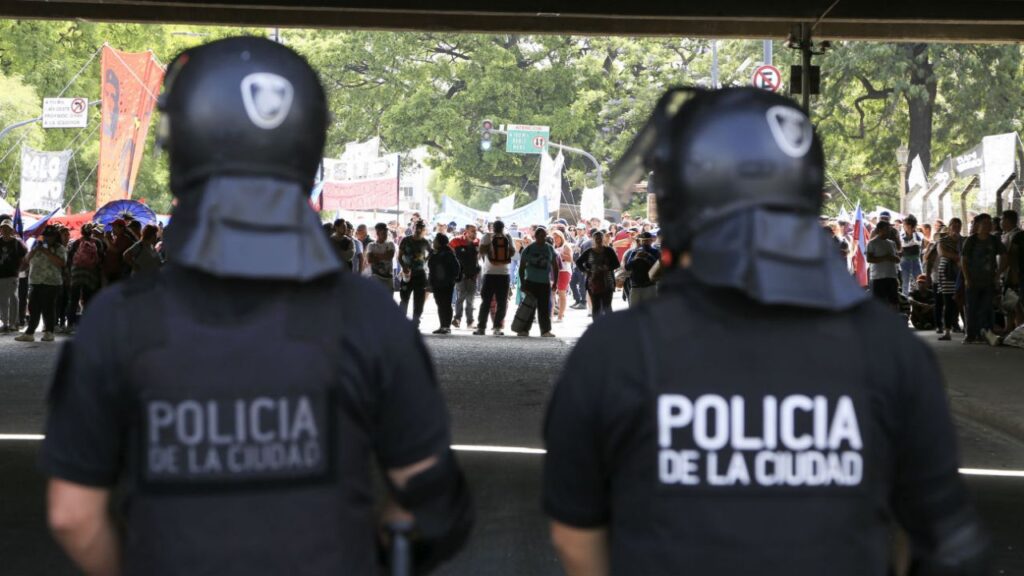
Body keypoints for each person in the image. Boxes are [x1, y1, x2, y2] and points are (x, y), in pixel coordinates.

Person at [40, 37, 471, 576]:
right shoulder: (367, 317)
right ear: (309, 147)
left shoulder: (118, 322)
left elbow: (72, 516)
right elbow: (433, 503)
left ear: (180, 148)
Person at [544, 87, 989, 576]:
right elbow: (941, 541)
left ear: (686, 200)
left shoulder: (615, 353)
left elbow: (576, 537)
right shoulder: (892, 353)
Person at [961, 213, 1007, 345]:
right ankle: (970, 334)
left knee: (986, 308)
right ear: (978, 225)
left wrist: (998, 274)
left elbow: (1005, 256)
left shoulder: (994, 240)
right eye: (985, 223)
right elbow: (964, 261)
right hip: (973, 279)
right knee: (972, 307)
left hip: (988, 280)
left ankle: (986, 333)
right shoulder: (971, 240)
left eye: (990, 223)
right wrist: (967, 278)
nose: (988, 226)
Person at [15, 225, 66, 343]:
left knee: (48, 308)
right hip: (35, 281)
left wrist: (47, 252)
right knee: (33, 308)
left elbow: (61, 263)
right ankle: (29, 333)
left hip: (51, 283)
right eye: (46, 236)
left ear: (55, 237)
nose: (48, 238)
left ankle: (49, 332)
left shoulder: (60, 248)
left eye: (50, 236)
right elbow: (26, 260)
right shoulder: (36, 247)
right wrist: (34, 250)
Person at [517, 226, 559, 337]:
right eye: (540, 236)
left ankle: (545, 331)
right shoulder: (529, 249)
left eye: (544, 236)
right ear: (535, 236)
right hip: (531, 282)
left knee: (544, 308)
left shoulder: (550, 248)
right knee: (529, 308)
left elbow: (555, 266)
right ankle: (524, 330)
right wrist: (522, 283)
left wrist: (555, 282)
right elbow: (521, 268)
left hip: (544, 283)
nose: (543, 238)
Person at [475, 220, 514, 336]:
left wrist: (490, 246)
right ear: (503, 227)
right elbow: (512, 253)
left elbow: (481, 252)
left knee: (485, 302)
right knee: (502, 302)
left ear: (492, 227)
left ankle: (481, 327)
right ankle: (497, 327)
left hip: (489, 273)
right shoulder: (508, 237)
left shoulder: (487, 236)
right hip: (504, 273)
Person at [66, 223, 105, 333]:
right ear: (92, 232)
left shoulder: (76, 243)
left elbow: (70, 259)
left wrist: (69, 273)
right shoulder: (97, 243)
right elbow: (101, 258)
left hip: (76, 274)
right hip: (91, 274)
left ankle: (70, 324)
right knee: (88, 300)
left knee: (73, 300)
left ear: (82, 232)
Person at [576, 230, 620, 318]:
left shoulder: (609, 250)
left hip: (607, 281)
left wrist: (607, 268)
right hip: (593, 282)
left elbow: (616, 264)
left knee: (607, 306)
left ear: (603, 239)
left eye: (600, 238)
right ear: (593, 239)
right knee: (596, 307)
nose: (598, 240)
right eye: (596, 238)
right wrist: (585, 271)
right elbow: (578, 262)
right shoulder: (589, 251)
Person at [398, 220, 431, 328]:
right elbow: (399, 256)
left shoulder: (425, 242)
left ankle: (415, 321)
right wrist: (403, 266)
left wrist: (425, 261)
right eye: (416, 227)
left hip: (420, 273)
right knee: (404, 298)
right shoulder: (405, 240)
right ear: (412, 228)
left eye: (421, 228)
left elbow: (431, 253)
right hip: (407, 273)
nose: (418, 230)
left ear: (424, 230)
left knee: (419, 300)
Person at [427, 233, 461, 335]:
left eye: (435, 240)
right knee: (440, 304)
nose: (433, 242)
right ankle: (442, 325)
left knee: (445, 304)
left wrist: (451, 279)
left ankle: (446, 326)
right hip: (437, 283)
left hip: (446, 283)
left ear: (439, 242)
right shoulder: (435, 253)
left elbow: (456, 268)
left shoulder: (448, 253)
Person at [937, 218, 965, 341]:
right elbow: (943, 253)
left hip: (962, 272)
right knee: (948, 303)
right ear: (949, 227)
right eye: (954, 225)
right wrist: (958, 258)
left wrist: (959, 259)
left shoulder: (964, 240)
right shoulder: (942, 240)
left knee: (962, 302)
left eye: (958, 225)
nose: (956, 227)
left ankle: (967, 329)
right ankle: (947, 331)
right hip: (947, 274)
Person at [449, 224, 480, 329]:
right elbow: (448, 251)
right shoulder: (456, 241)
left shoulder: (477, 242)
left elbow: (481, 254)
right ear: (466, 231)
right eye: (472, 231)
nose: (474, 233)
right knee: (462, 295)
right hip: (460, 275)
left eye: (475, 231)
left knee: (470, 298)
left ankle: (468, 321)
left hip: (473, 275)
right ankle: (458, 319)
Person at [0, 216, 27, 332]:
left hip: (12, 275)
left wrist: (20, 270)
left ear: (12, 230)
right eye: (3, 228)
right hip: (0, 275)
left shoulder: (17, 243)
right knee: (2, 300)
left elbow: (26, 258)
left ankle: (13, 323)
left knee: (13, 298)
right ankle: (4, 323)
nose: (5, 230)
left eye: (8, 228)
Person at [865, 220, 900, 310]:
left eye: (889, 229)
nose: (889, 231)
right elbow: (869, 259)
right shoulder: (872, 243)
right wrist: (885, 258)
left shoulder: (892, 243)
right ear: (880, 229)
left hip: (892, 276)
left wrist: (896, 259)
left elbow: (896, 258)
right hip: (878, 278)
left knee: (894, 302)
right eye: (887, 229)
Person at [624, 231, 660, 307]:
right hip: (635, 286)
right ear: (640, 241)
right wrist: (636, 258)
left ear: (651, 240)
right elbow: (627, 267)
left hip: (650, 285)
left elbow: (658, 267)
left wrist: (647, 256)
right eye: (643, 240)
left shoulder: (655, 252)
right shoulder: (634, 252)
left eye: (647, 240)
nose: (645, 242)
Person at [366, 222, 396, 293]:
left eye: (386, 232)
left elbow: (389, 257)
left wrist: (375, 255)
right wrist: (384, 255)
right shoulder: (371, 245)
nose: (385, 235)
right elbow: (370, 260)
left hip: (389, 277)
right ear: (377, 233)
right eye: (383, 233)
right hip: (375, 276)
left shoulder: (390, 244)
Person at [551, 229, 573, 322]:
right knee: (553, 293)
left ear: (561, 237)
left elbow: (570, 259)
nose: (555, 239)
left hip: (564, 272)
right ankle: (551, 315)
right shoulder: (553, 247)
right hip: (555, 272)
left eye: (557, 237)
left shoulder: (566, 246)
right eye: (554, 237)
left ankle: (560, 316)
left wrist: (560, 255)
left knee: (561, 293)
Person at [899, 215, 924, 296]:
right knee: (905, 284)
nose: (903, 226)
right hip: (905, 261)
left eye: (904, 224)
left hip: (916, 261)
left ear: (909, 225)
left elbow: (913, 243)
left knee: (919, 282)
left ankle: (919, 302)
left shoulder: (919, 235)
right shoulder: (901, 236)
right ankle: (905, 304)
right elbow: (904, 245)